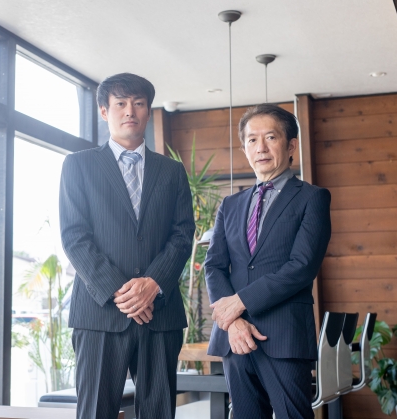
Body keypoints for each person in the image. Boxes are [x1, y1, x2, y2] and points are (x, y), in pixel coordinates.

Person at [59, 73, 195, 419]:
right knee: (95, 412)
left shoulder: (172, 171)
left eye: (138, 103)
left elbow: (183, 234)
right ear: (105, 111)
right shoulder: (78, 165)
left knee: (158, 413)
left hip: (159, 313)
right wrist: (123, 293)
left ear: (148, 111)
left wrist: (152, 284)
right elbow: (75, 236)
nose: (130, 111)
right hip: (100, 313)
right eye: (120, 103)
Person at [204, 104, 331, 419]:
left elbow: (302, 267)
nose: (260, 147)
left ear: (291, 146)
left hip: (284, 336)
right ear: (245, 149)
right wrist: (232, 320)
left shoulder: (312, 198)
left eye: (270, 137)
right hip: (234, 337)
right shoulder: (230, 205)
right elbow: (214, 266)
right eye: (252, 140)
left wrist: (240, 301)